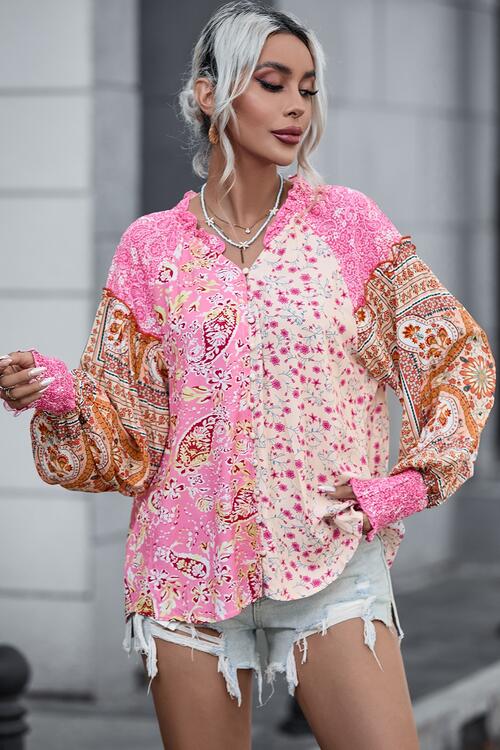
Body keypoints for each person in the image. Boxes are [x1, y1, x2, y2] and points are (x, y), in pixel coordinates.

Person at [1, 2, 495, 748]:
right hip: (183, 570)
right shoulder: (150, 247)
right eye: (273, 83)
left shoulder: (348, 225)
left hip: (329, 558)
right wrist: (60, 392)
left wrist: (410, 483)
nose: (297, 105)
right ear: (210, 94)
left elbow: (455, 354)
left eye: (308, 88)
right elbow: (132, 436)